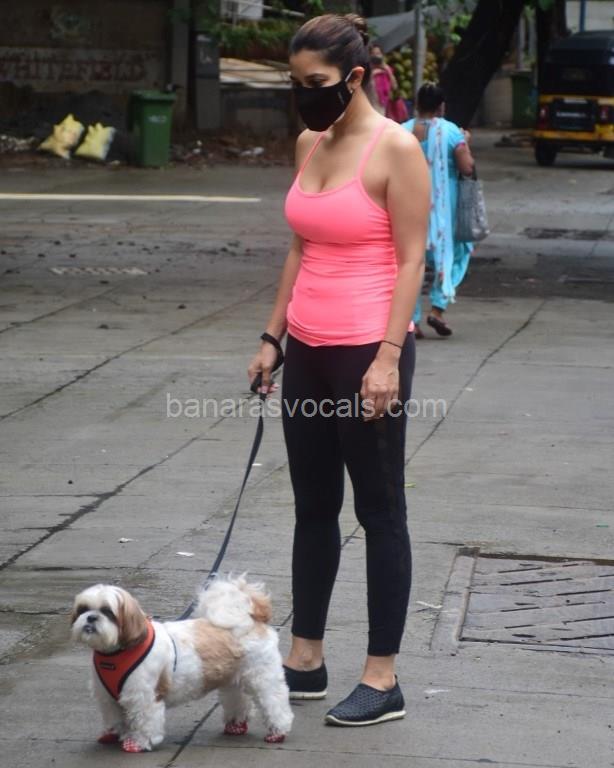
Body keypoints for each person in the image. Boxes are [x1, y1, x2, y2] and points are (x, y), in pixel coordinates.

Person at [247, 14, 430, 727]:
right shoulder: (310, 142)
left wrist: (388, 358)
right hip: (309, 349)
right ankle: (305, 659)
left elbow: (412, 260)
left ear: (355, 78)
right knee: (313, 506)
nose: (304, 95)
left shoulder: (397, 149)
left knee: (379, 511)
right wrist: (273, 336)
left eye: (315, 82)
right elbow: (300, 246)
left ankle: (382, 677)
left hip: (367, 351)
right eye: (295, 83)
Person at [403, 82, 475, 338]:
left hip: (409, 205)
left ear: (417, 104)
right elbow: (467, 168)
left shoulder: (402, 131)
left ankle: (411, 321)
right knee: (456, 254)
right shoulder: (451, 132)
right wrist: (466, 142)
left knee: (411, 261)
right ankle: (437, 308)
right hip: (445, 211)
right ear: (441, 106)